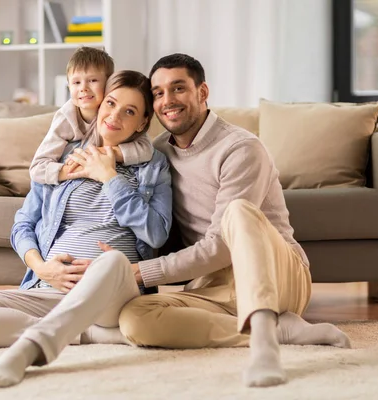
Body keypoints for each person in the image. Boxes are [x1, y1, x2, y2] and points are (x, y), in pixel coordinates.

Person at [78, 54, 351, 388]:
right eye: (159, 93)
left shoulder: (241, 148)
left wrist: (137, 272)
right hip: (210, 287)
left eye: (178, 88)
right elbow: (113, 141)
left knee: (237, 213)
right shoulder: (159, 152)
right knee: (135, 319)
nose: (168, 101)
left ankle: (265, 346)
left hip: (278, 275)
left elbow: (221, 246)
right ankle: (280, 330)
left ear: (202, 92)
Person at [0, 70, 173, 387]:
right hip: (50, 290)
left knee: (112, 262)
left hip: (113, 297)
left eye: (129, 111)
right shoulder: (62, 161)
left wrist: (110, 178)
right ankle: (86, 332)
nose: (114, 116)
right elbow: (23, 224)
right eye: (111, 103)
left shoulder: (153, 165)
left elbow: (156, 233)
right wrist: (43, 268)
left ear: (142, 122)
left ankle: (36, 345)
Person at [30, 46, 153, 185]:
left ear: (108, 84)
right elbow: (38, 168)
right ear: (69, 87)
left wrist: (101, 153)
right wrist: (80, 167)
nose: (83, 88)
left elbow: (146, 150)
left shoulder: (113, 112)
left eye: (93, 80)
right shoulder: (66, 118)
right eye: (76, 82)